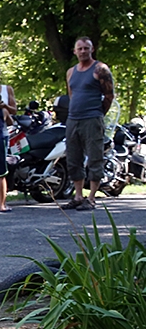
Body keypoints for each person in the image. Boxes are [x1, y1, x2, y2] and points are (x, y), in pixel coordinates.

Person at [60, 37, 114, 211]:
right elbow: (71, 94)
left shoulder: (100, 69)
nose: (83, 51)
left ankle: (91, 198)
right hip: (73, 119)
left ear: (92, 49)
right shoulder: (71, 72)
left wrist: (98, 114)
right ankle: (78, 196)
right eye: (80, 48)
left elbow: (109, 95)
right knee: (73, 158)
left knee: (94, 156)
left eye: (86, 48)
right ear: (75, 51)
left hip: (92, 119)